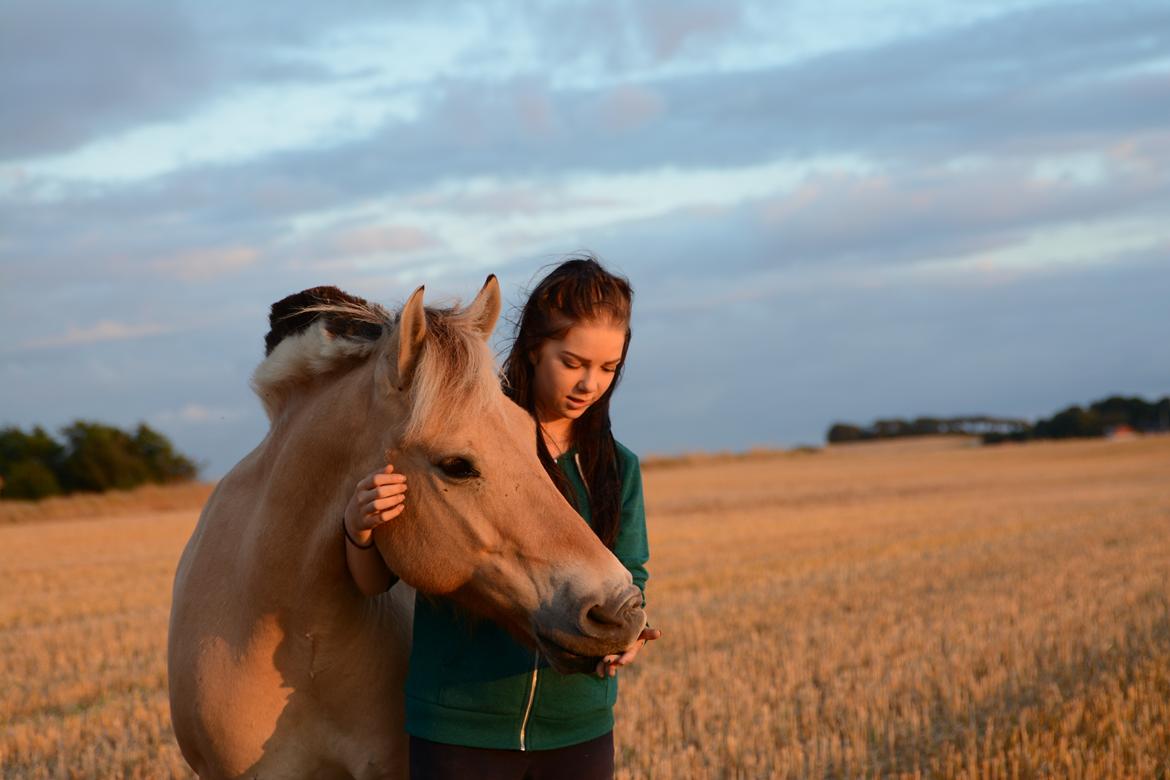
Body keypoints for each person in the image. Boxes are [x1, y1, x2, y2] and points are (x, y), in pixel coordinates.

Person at [342, 256, 660, 779]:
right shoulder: (460, 452)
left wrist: (629, 633)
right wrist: (358, 531)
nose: (590, 384)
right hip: (459, 725)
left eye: (608, 368)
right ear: (535, 349)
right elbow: (377, 581)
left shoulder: (617, 468)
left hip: (576, 724)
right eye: (574, 362)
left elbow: (632, 570)